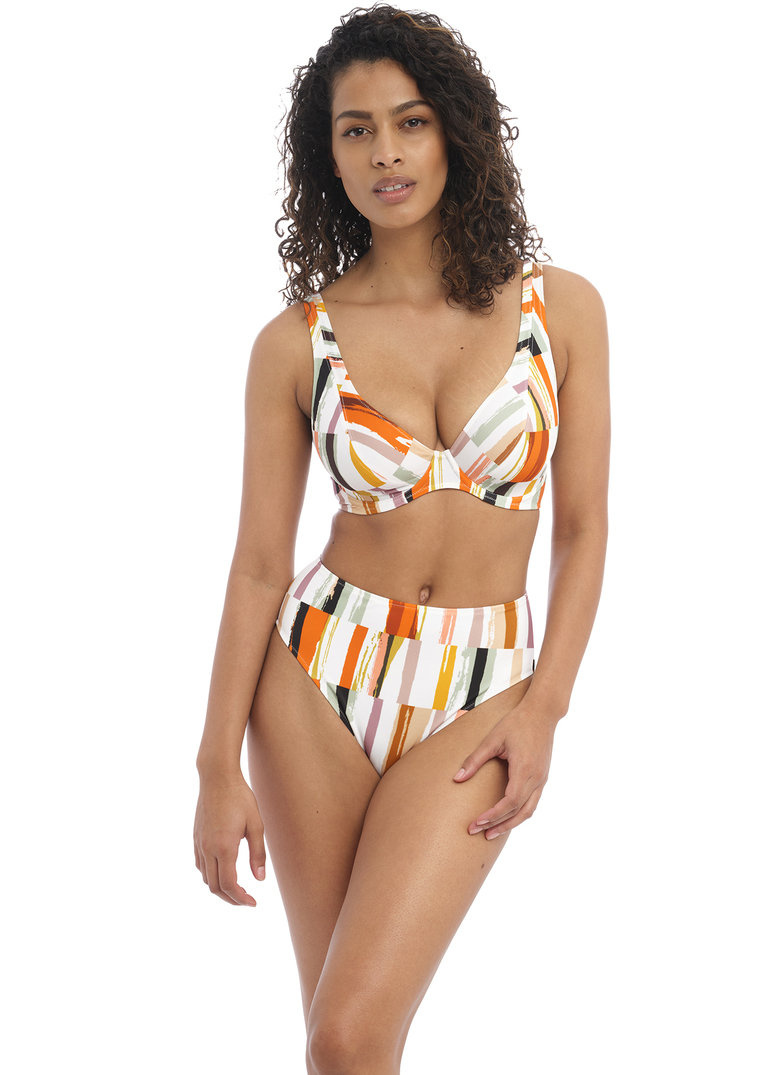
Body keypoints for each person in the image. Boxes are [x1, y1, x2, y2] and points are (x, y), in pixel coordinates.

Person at [193, 5, 610, 1072]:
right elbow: (257, 563)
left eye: (410, 121)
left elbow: (582, 525)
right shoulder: (297, 343)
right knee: (343, 1041)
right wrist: (214, 766)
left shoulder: (561, 310)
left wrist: (547, 706)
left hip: (481, 689)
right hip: (315, 677)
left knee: (349, 1032)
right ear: (326, 158)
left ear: (454, 132)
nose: (385, 152)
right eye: (357, 130)